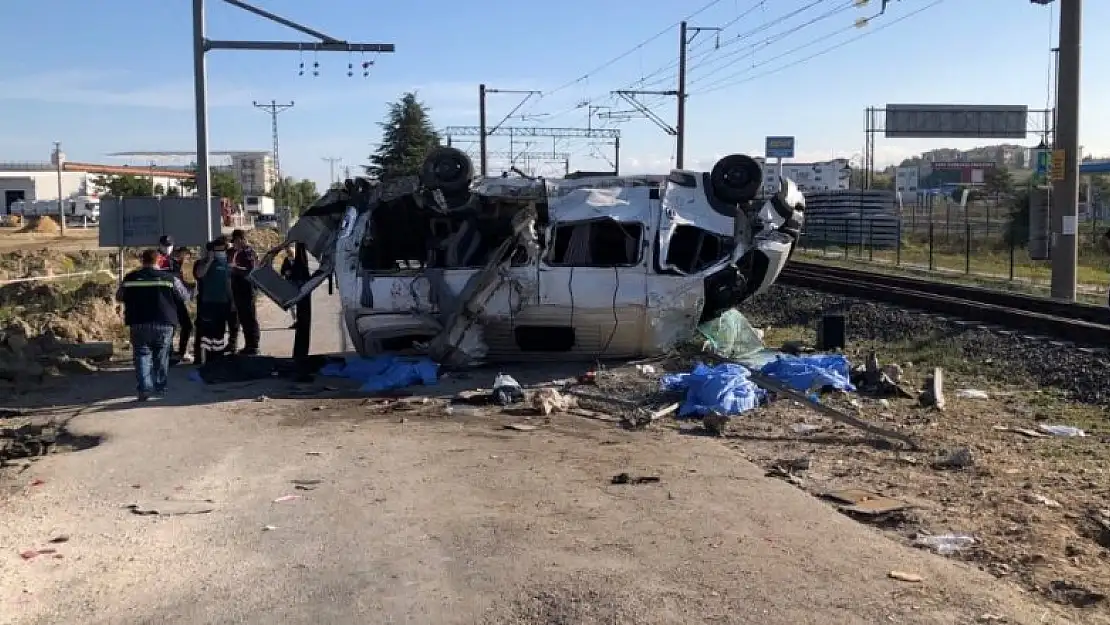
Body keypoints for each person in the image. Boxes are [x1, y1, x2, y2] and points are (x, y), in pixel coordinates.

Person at [116, 249, 191, 401]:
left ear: (142, 261)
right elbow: (184, 296)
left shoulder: (130, 278)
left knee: (141, 356)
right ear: (158, 261)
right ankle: (160, 387)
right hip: (164, 323)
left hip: (138, 322)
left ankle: (144, 388)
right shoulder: (170, 279)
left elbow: (119, 296)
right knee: (161, 356)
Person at [193, 236, 236, 359]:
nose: (220, 253)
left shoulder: (227, 264)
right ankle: (206, 358)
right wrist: (210, 260)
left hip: (223, 303)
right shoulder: (204, 262)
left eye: (222, 250)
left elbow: (228, 284)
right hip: (208, 303)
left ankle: (218, 357)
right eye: (217, 251)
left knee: (219, 332)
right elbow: (199, 274)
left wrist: (232, 301)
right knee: (207, 333)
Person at [227, 229, 260, 356]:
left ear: (240, 240)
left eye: (235, 241)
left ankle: (253, 345)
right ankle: (248, 345)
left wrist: (235, 269)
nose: (234, 244)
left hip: (247, 288)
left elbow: (250, 270)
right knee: (243, 317)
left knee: (249, 317)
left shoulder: (248, 253)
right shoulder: (235, 252)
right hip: (237, 288)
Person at [167, 246, 195, 363]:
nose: (187, 257)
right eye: (185, 255)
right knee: (181, 326)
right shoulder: (172, 264)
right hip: (173, 298)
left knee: (185, 326)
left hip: (177, 298)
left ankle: (179, 352)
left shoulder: (179, 264)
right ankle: (175, 353)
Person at [279, 244, 298, 329]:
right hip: (289, 284)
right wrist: (285, 272)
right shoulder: (286, 260)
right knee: (292, 305)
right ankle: (296, 321)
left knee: (299, 304)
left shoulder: (299, 260)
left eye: (289, 250)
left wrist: (293, 272)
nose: (288, 252)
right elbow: (282, 271)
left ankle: (301, 321)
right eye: (287, 251)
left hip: (297, 284)